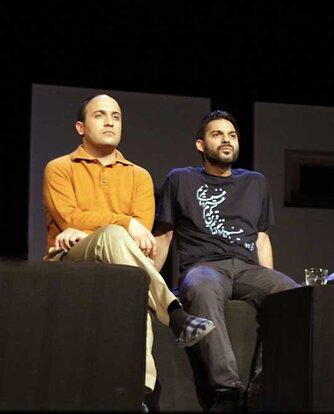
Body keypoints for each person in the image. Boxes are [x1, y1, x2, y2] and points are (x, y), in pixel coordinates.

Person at [42, 94, 215, 410]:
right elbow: (70, 217)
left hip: (120, 258)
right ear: (80, 127)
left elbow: (141, 239)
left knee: (134, 282)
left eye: (116, 116)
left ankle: (137, 396)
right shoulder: (60, 168)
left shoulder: (139, 175)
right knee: (115, 236)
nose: (109, 122)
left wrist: (100, 229)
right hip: (70, 258)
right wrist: (124, 223)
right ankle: (175, 314)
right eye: (99, 115)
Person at [153, 110, 299, 412]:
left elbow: (261, 238)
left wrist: (268, 284)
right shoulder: (181, 179)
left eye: (232, 135)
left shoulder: (255, 182)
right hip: (203, 266)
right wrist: (151, 284)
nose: (226, 140)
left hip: (247, 268)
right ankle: (227, 389)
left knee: (292, 295)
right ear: (200, 144)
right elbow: (164, 235)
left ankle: (260, 385)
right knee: (202, 288)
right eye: (217, 134)